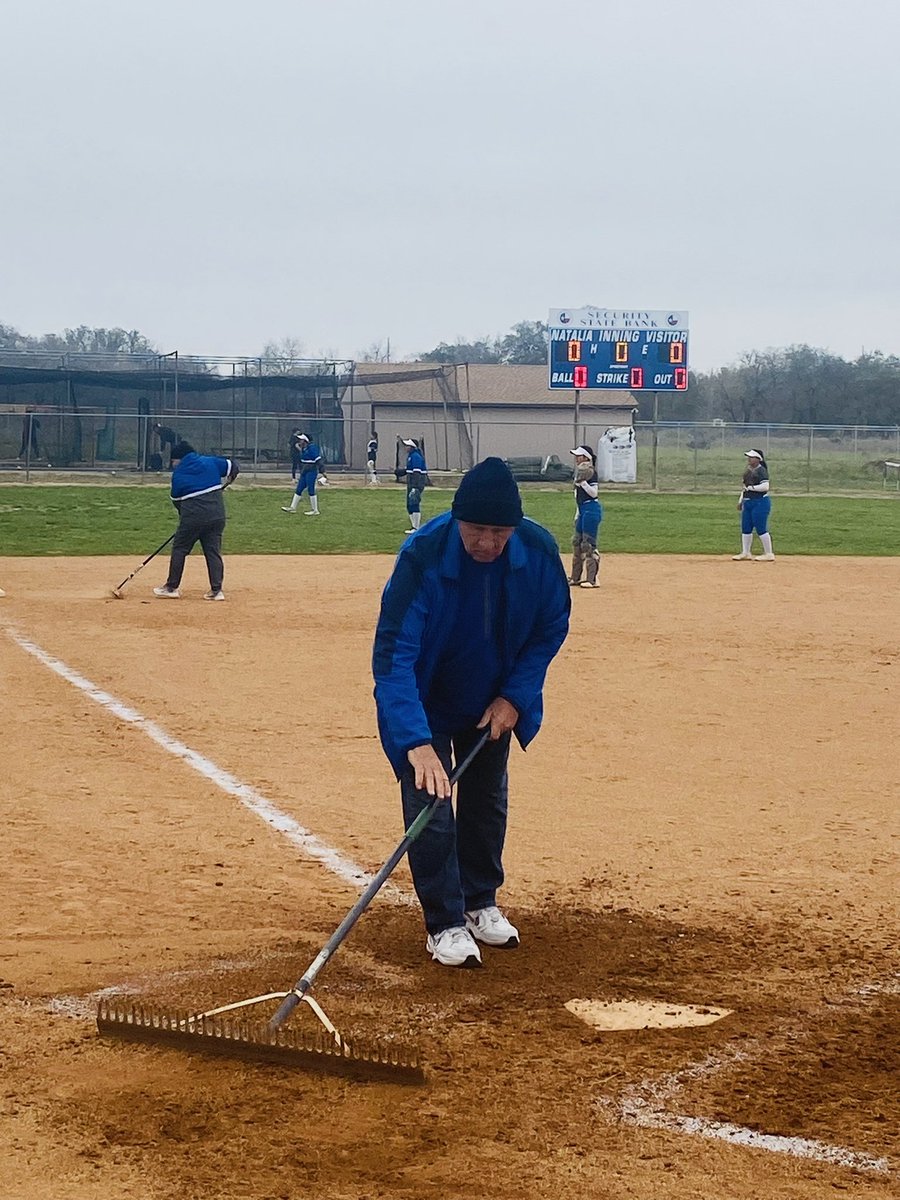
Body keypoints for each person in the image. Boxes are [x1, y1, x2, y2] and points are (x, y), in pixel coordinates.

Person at [373, 457, 571, 968]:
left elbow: (550, 628)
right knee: (432, 808)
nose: (488, 543)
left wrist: (515, 696)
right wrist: (415, 740)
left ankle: (481, 902)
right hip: (425, 703)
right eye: (478, 531)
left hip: (493, 701)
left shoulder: (538, 551)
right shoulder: (423, 555)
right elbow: (394, 654)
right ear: (458, 521)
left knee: (486, 801)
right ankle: (444, 924)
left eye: (499, 532)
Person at [153, 441, 239, 600]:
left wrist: (186, 521)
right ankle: (216, 591)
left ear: (179, 459)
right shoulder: (210, 461)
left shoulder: (178, 475)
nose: (173, 464)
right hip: (217, 515)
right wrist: (229, 481)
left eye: (173, 461)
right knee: (213, 552)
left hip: (193, 517)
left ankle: (171, 587)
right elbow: (233, 467)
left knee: (180, 548)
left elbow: (177, 502)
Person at [568, 446, 602, 588]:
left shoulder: (590, 472)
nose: (576, 458)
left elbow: (594, 493)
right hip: (582, 510)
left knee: (588, 544)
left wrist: (583, 484)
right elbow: (578, 498)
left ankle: (592, 579)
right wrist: (577, 513)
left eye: (579, 456)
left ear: (586, 458)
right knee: (577, 542)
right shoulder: (580, 473)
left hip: (591, 509)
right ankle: (575, 577)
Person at [733, 448, 775, 561]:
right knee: (746, 527)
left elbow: (765, 487)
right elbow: (744, 488)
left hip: (760, 502)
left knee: (761, 528)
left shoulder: (761, 471)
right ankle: (746, 552)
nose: (749, 459)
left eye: (751, 457)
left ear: (758, 459)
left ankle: (769, 553)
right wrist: (741, 500)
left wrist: (752, 488)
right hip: (748, 502)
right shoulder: (748, 471)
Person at [281, 434, 322, 515]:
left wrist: (323, 472)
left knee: (311, 489)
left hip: (311, 471)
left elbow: (318, 460)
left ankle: (315, 510)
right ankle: (293, 507)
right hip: (305, 471)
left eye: (301, 440)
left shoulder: (312, 448)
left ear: (305, 441)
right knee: (299, 489)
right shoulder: (304, 448)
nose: (299, 441)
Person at [399, 437, 428, 533]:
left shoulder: (416, 456)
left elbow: (417, 472)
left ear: (412, 447)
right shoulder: (411, 456)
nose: (406, 447)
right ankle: (413, 526)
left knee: (414, 503)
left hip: (416, 483)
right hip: (411, 483)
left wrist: (415, 487)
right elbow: (409, 470)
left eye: (407, 446)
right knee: (409, 504)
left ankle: (416, 527)